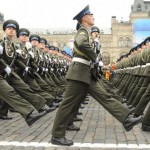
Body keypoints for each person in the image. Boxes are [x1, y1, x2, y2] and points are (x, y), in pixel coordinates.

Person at [51, 5, 142, 146]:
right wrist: (95, 58)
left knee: (105, 96)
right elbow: (81, 44)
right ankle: (57, 136)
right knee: (67, 105)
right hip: (78, 74)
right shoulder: (83, 31)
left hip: (87, 74)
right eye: (91, 15)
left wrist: (95, 62)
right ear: (84, 18)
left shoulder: (88, 33)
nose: (93, 17)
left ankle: (126, 119)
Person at [0, 19, 46, 126]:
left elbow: (15, 59)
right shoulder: (2, 44)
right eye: (9, 29)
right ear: (5, 30)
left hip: (8, 72)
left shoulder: (11, 45)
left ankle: (41, 106)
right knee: (10, 92)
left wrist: (25, 67)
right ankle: (29, 114)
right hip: (3, 72)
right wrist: (5, 66)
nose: (11, 31)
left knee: (23, 87)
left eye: (13, 29)